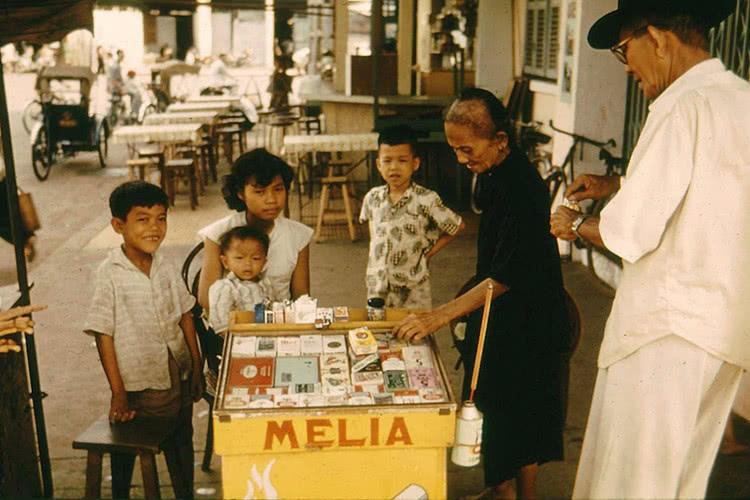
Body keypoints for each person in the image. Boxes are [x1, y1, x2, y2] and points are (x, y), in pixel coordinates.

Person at [549, 1, 750, 497]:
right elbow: (709, 188)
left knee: (632, 481)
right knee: (680, 479)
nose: (627, 68)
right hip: (722, 330)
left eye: (623, 51)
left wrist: (574, 225)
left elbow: (632, 232)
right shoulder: (739, 99)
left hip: (667, 332)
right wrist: (617, 182)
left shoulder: (680, 106)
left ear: (657, 39)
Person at [394, 88, 570, 499]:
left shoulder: (523, 187)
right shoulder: (493, 173)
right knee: (498, 409)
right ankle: (502, 489)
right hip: (502, 309)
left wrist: (441, 315)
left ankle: (519, 495)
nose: (460, 159)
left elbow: (504, 276)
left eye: (467, 149)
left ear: (501, 141)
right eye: (454, 149)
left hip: (529, 314)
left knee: (522, 414)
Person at [83, 181, 202, 498]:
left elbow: (185, 315)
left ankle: (185, 493)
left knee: (181, 438)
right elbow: (103, 333)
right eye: (143, 219)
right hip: (140, 384)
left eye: (161, 218)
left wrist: (197, 364)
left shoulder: (165, 265)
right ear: (118, 225)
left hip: (179, 373)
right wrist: (118, 393)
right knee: (132, 446)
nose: (155, 228)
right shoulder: (109, 274)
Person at [359, 125, 465, 309]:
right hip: (377, 285)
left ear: (415, 163)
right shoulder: (372, 198)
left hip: (413, 287)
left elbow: (457, 226)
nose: (394, 167)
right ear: (378, 164)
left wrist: (429, 253)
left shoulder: (426, 199)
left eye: (402, 160)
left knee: (416, 334)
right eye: (387, 160)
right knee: (377, 334)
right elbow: (374, 233)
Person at [198, 148, 312, 310]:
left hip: (281, 324)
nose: (271, 200)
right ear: (240, 193)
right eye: (259, 191)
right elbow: (206, 300)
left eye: (278, 189)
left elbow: (302, 299)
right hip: (231, 326)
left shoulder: (298, 236)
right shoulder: (218, 234)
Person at [208, 225, 272, 335]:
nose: (247, 264)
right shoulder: (225, 288)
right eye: (239, 258)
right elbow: (221, 324)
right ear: (225, 262)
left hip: (262, 335)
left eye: (255, 258)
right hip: (233, 339)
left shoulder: (265, 284)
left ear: (264, 263)